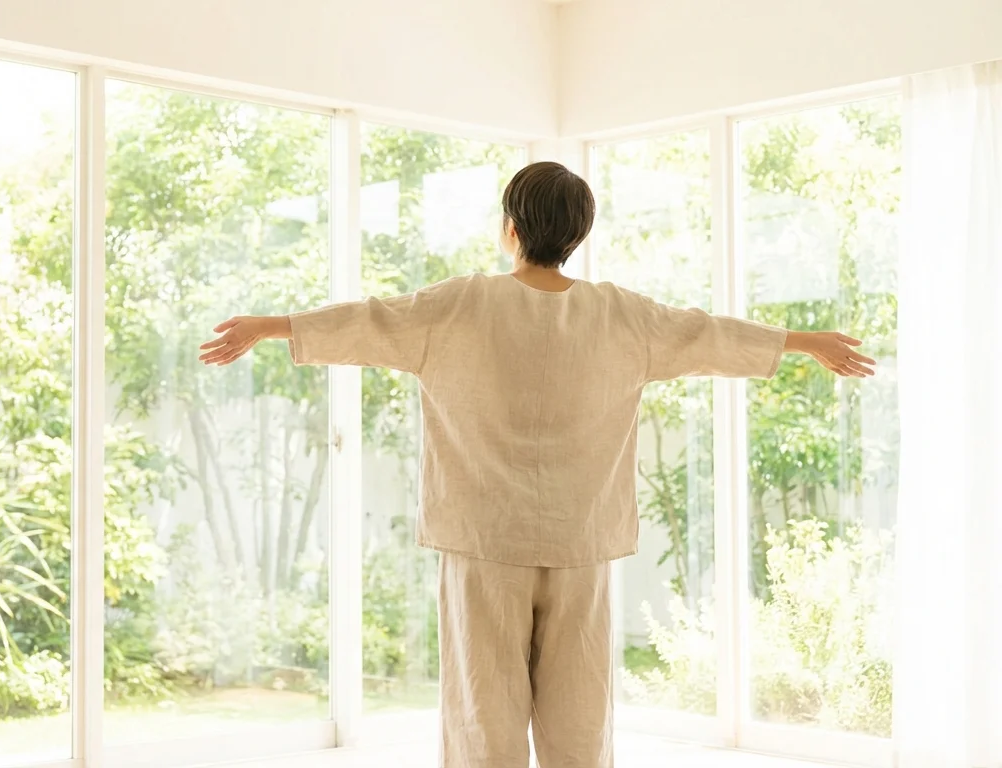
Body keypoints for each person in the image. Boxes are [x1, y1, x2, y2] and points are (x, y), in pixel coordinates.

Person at [197, 161, 874, 768]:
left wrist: (270, 326)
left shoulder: (459, 303)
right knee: (580, 724)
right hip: (582, 542)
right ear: (577, 235)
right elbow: (707, 335)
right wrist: (805, 341)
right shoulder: (622, 315)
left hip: (484, 542)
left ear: (510, 226)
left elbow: (369, 322)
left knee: (480, 723)